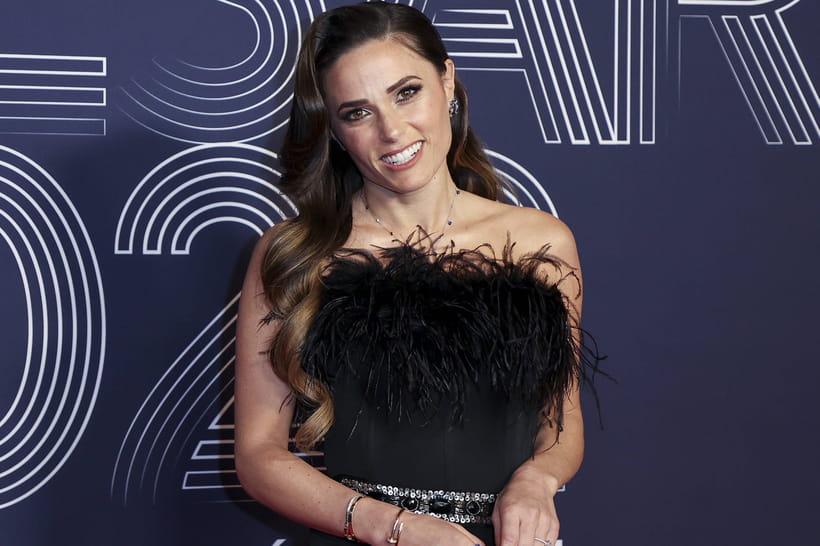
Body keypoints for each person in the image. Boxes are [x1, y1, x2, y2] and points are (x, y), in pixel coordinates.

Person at [235, 3, 597, 545]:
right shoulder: (297, 254)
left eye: (406, 92)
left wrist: (537, 481)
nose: (391, 130)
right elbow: (259, 455)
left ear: (447, 81)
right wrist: (394, 528)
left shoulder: (541, 243)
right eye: (357, 112)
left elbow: (560, 423)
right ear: (334, 131)